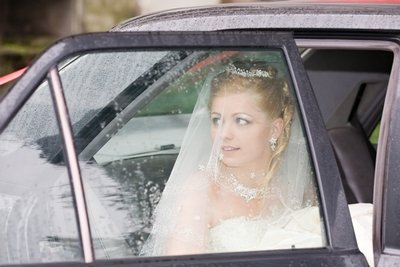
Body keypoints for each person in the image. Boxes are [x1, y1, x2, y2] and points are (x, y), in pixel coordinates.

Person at [140, 58, 324, 256]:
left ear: (275, 129)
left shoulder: (295, 189)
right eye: (217, 120)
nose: (223, 133)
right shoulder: (202, 190)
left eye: (241, 120)